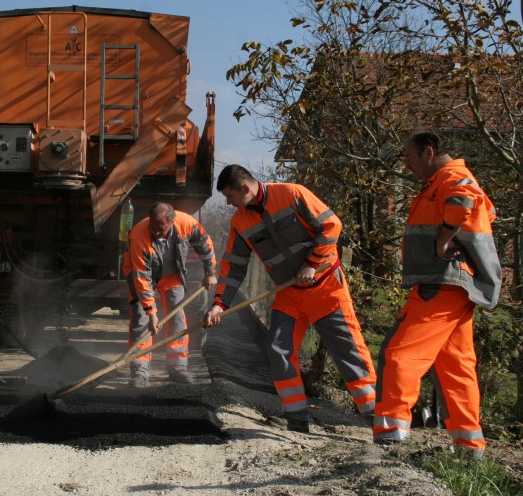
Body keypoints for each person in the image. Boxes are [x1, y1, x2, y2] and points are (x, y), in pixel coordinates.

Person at [203, 164, 376, 433]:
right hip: (288, 294)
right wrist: (219, 304)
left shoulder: (293, 194)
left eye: (230, 196)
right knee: (278, 349)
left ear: (245, 188)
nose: (228, 203)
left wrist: (312, 262)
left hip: (326, 288)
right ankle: (296, 417)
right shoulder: (240, 221)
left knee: (348, 353)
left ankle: (377, 418)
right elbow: (233, 265)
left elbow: (331, 225)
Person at [373, 132, 501, 460]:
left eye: (410, 157)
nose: (407, 164)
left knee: (398, 355)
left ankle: (390, 441)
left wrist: (447, 236)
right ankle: (470, 450)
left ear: (429, 152)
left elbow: (468, 197)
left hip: (442, 283)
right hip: (455, 286)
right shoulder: (442, 181)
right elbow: (488, 210)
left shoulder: (452, 176)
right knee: (455, 367)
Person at [123, 202, 217, 388]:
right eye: (153, 227)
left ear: (172, 222)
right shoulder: (138, 235)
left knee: (177, 318)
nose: (156, 232)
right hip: (141, 276)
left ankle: (177, 367)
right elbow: (142, 279)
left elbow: (205, 244)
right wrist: (152, 313)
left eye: (160, 228)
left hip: (172, 275)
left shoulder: (186, 223)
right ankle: (140, 371)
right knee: (141, 319)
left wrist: (210, 272)